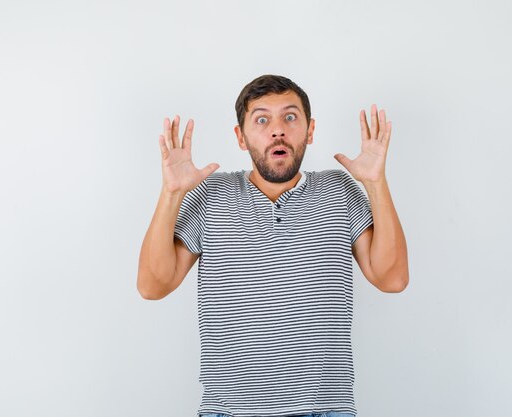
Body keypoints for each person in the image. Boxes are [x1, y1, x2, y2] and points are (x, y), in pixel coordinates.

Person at [137, 74, 409, 417]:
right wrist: (172, 193)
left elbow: (392, 279)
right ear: (241, 136)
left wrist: (375, 183)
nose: (277, 130)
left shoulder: (339, 190)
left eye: (290, 117)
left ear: (310, 131)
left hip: (325, 409)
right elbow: (152, 286)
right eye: (262, 119)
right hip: (229, 411)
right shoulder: (211, 195)